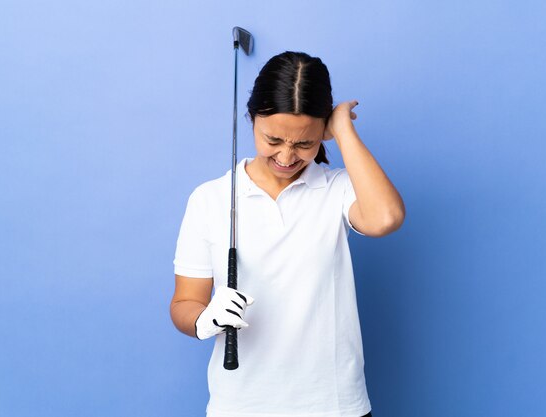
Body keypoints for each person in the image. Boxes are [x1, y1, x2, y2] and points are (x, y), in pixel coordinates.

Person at [170, 51, 405, 417]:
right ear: (252, 120)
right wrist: (203, 319)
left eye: (305, 143)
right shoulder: (209, 199)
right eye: (273, 139)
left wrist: (343, 129)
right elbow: (184, 304)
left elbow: (386, 218)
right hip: (241, 405)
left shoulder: (338, 189)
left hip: (335, 405)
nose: (286, 155)